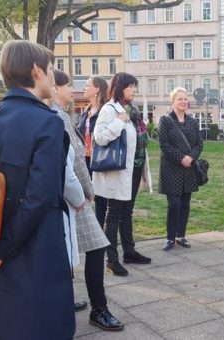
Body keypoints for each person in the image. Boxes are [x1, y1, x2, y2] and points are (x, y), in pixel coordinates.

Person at [0, 40, 75, 339]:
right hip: (35, 244)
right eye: (50, 70)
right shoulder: (47, 122)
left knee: (8, 325)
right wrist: (2, 249)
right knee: (43, 327)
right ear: (36, 71)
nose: (52, 77)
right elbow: (42, 197)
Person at [52, 70, 123, 331]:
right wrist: (87, 191)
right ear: (55, 87)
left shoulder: (57, 113)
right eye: (69, 86)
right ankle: (99, 309)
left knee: (64, 249)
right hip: (72, 194)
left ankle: (64, 299)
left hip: (63, 194)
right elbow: (73, 158)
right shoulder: (57, 115)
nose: (73, 91)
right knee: (96, 245)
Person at [92, 72, 152, 276]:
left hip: (133, 167)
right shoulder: (110, 109)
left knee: (127, 211)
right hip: (116, 171)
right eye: (130, 86)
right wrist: (118, 121)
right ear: (119, 88)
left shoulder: (132, 110)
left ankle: (129, 251)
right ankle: (112, 260)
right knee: (114, 214)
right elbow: (99, 138)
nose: (134, 90)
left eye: (135, 86)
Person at [158, 87, 203, 251]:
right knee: (174, 204)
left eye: (185, 98)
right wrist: (181, 158)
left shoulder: (192, 121)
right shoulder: (165, 120)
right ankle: (170, 237)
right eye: (179, 99)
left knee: (185, 204)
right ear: (172, 102)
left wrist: (191, 157)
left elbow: (199, 144)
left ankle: (181, 236)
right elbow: (163, 144)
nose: (183, 101)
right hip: (171, 169)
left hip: (188, 169)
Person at [79, 76, 111, 229]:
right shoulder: (87, 111)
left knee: (100, 198)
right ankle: (93, 227)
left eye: (87, 85)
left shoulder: (106, 110)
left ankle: (100, 229)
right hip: (85, 158)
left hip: (100, 159)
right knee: (87, 195)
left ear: (97, 89)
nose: (84, 88)